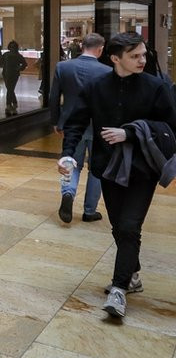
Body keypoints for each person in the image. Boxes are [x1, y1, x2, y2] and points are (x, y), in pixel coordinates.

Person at [58, 32, 176, 319]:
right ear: (115, 58)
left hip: (142, 169)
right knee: (118, 226)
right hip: (106, 167)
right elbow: (75, 122)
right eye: (135, 56)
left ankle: (119, 290)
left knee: (129, 226)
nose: (142, 60)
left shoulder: (156, 87)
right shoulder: (96, 87)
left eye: (143, 55)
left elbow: (171, 127)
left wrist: (131, 131)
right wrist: (68, 154)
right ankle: (132, 274)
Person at [49, 33, 111, 223]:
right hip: (98, 127)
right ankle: (90, 210)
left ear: (82, 46)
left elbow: (53, 98)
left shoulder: (63, 67)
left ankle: (68, 194)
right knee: (97, 168)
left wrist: (56, 121)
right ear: (100, 49)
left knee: (71, 163)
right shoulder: (107, 71)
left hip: (71, 124)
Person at [0, 40, 28, 114]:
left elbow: (25, 64)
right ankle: (14, 103)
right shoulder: (6, 54)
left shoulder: (18, 55)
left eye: (14, 47)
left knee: (10, 89)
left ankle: (9, 104)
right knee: (10, 89)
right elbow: (0, 62)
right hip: (6, 74)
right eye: (11, 46)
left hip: (14, 74)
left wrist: (19, 68)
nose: (12, 48)